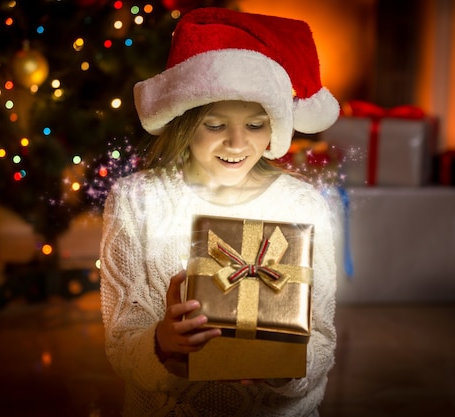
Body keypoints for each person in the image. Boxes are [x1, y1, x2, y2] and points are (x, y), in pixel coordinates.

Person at [100, 7, 340, 416]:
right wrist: (162, 343)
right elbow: (121, 341)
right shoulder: (137, 202)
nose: (236, 143)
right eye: (214, 124)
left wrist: (283, 368)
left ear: (275, 128)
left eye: (255, 124)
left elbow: (322, 340)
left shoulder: (302, 206)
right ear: (184, 121)